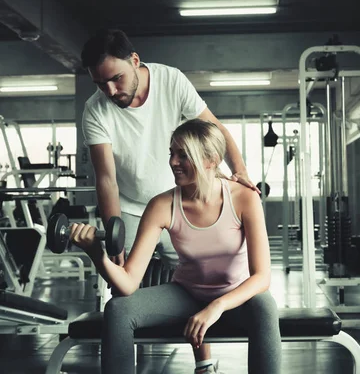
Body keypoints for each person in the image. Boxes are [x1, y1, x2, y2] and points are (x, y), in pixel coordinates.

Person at [80, 28, 259, 371]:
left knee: (198, 284)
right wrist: (113, 231)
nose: (110, 90)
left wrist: (240, 172)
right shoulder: (96, 110)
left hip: (183, 202)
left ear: (135, 61)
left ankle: (204, 363)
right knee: (123, 293)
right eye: (100, 84)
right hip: (133, 209)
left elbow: (214, 131)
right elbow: (106, 178)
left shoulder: (171, 81)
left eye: (116, 79)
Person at [70, 119, 282, 374]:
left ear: (211, 160)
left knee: (265, 305)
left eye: (183, 155)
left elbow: (262, 277)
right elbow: (127, 283)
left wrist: (216, 306)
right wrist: (96, 253)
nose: (173, 162)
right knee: (118, 309)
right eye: (172, 153)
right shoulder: (162, 205)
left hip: (233, 297)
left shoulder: (244, 198)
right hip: (186, 294)